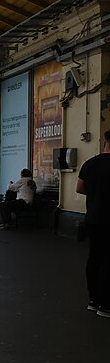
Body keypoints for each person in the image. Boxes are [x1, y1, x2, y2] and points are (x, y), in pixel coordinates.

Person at [76, 128, 110, 316]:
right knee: (108, 261)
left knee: (94, 258)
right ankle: (106, 304)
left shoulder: (90, 163)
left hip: (93, 219)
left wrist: (97, 194)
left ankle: (93, 300)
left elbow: (79, 188)